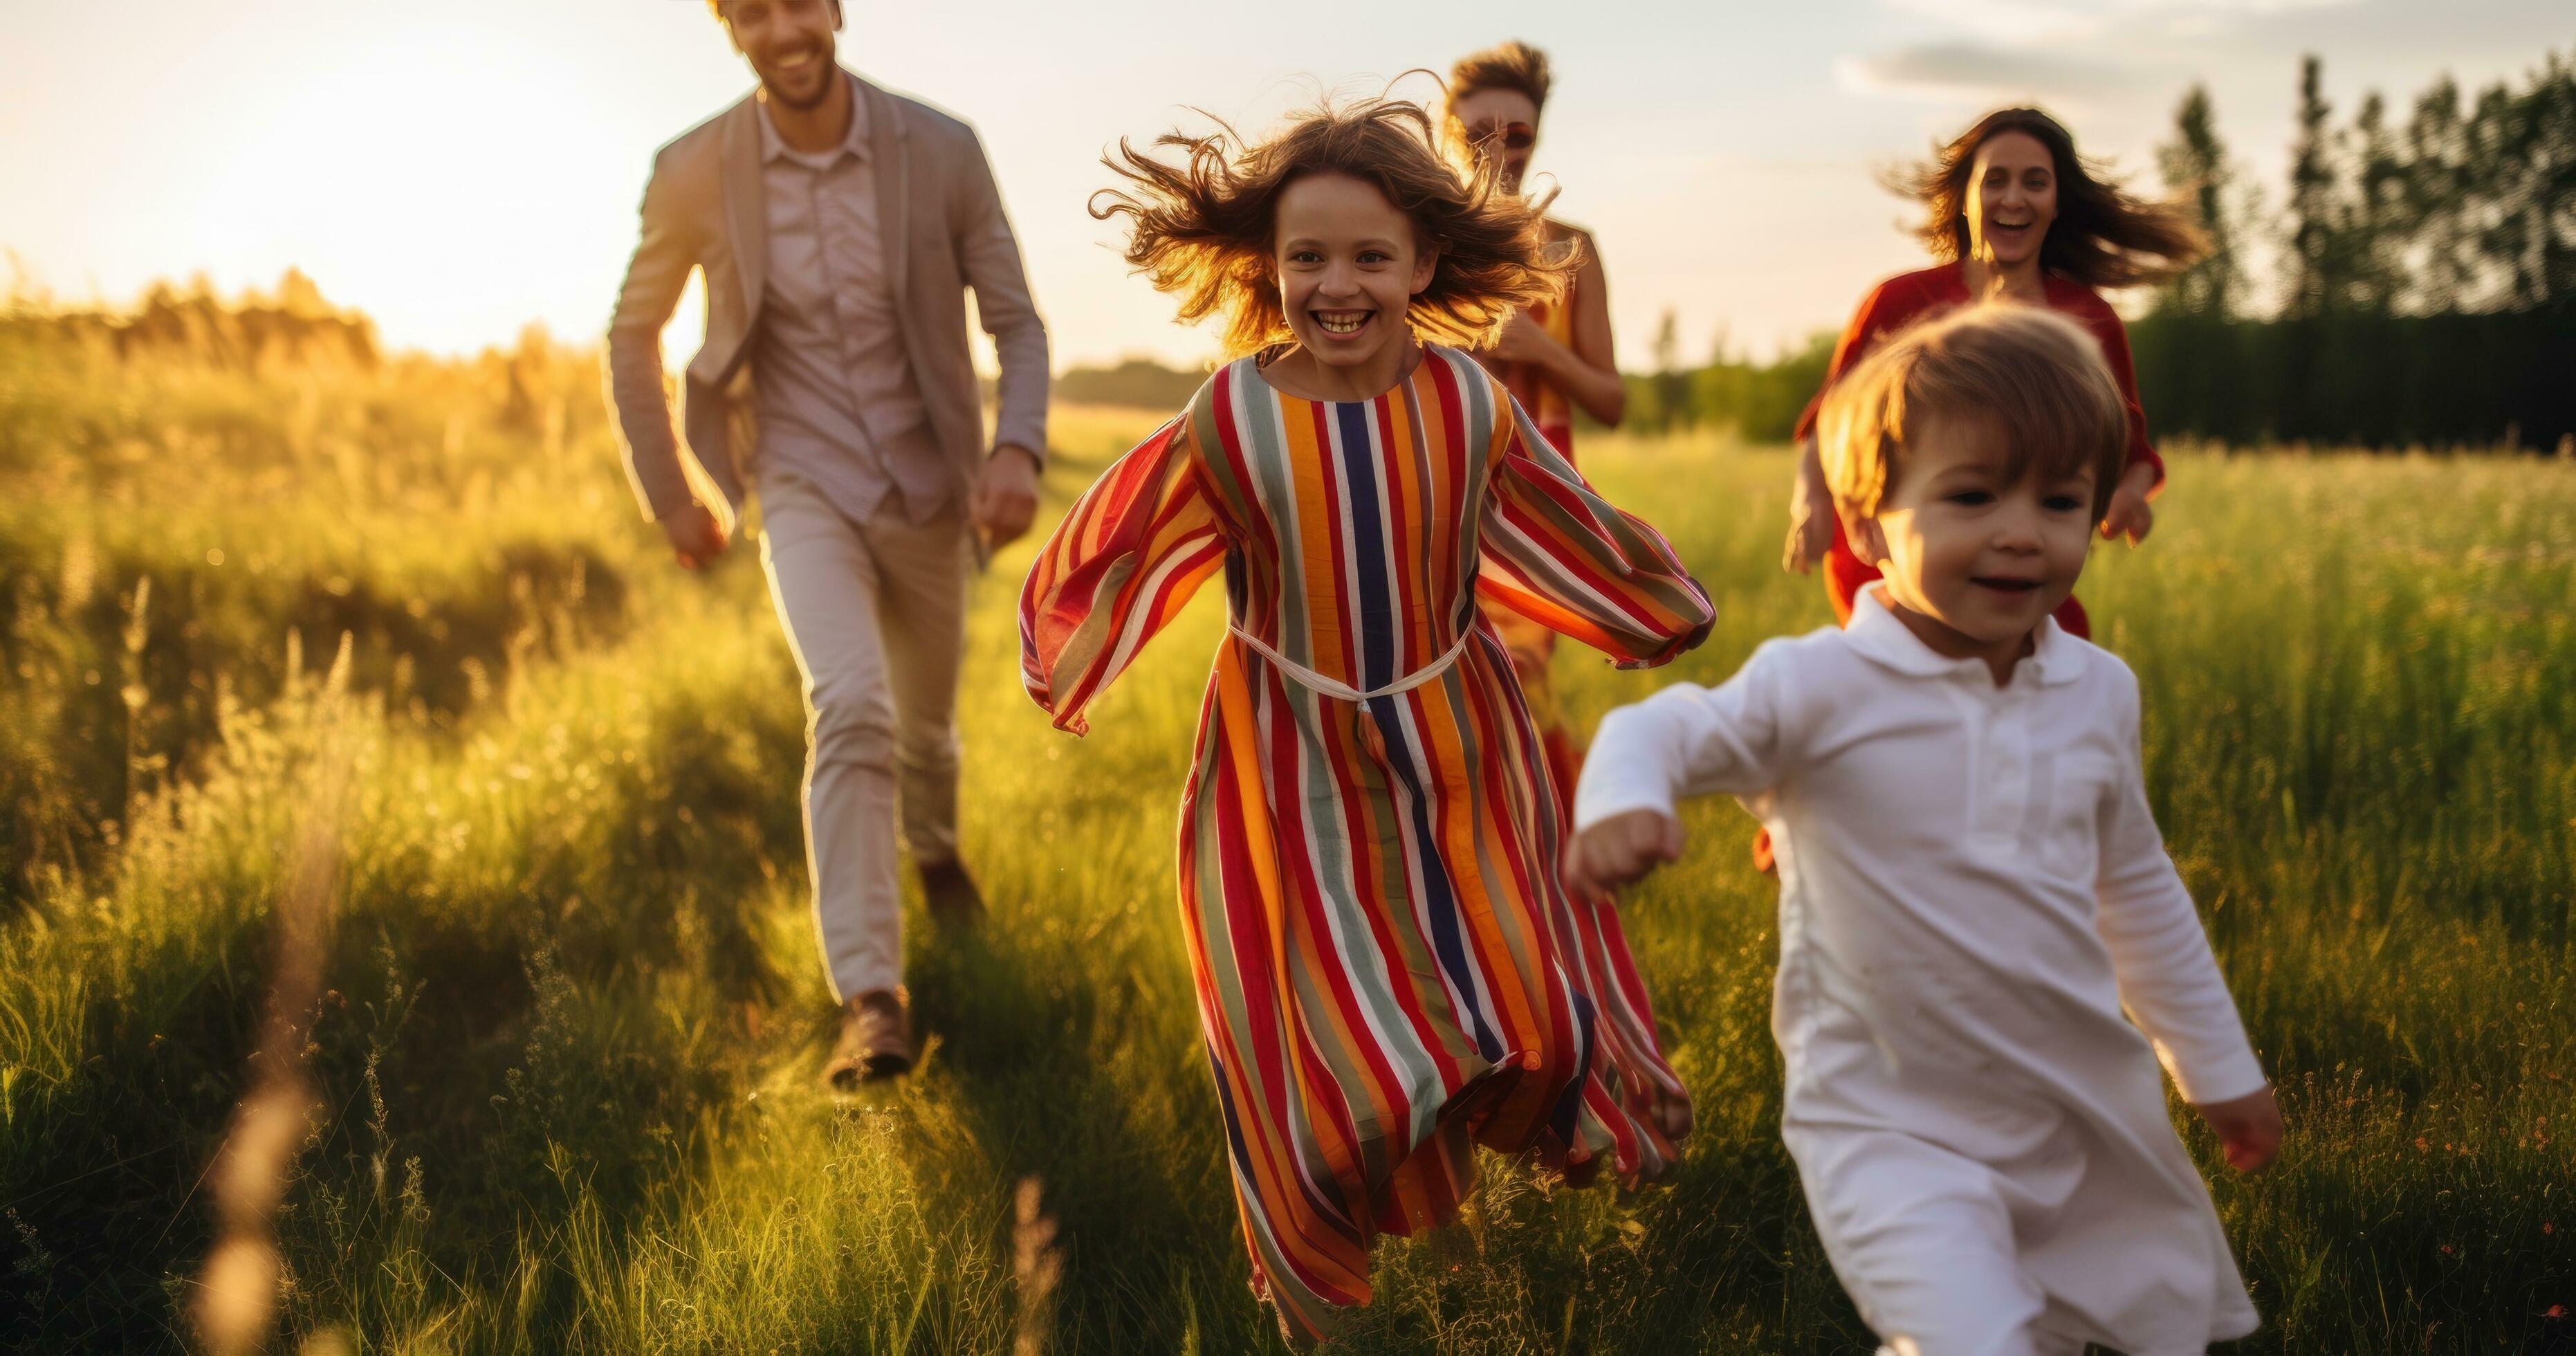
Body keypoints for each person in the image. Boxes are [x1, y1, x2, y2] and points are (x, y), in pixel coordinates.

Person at [1021, 97, 1713, 1344]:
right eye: (1305, 259)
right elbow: (1126, 537)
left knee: (1526, 1013)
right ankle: (1336, 1285)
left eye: (1366, 258)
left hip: (1460, 751)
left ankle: (1466, 1205)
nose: (1335, 286)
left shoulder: (1468, 404)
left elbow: (1566, 526)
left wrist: (1657, 606)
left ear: (1423, 266)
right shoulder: (1231, 416)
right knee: (1337, 1058)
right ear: (1266, 267)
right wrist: (1064, 654)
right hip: (1288, 763)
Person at [1570, 304, 2283, 1356]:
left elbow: (2135, 889)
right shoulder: (1826, 686)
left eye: (2060, 500)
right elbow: (1664, 727)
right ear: (1867, 527)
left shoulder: (2095, 692)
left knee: (2097, 1328)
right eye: (1971, 496)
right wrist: (1625, 801)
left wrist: (2217, 1073)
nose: (2020, 532)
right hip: (1888, 1127)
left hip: (2075, 1111)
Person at [605, 0, 1051, 1085]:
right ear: (730, 30)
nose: (783, 30)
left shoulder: (939, 149)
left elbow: (1016, 323)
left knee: (927, 734)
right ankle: (871, 995)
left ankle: (938, 853)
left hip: (931, 487)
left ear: (838, 10)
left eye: (799, 2)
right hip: (797, 484)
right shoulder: (692, 168)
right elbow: (634, 331)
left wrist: (1017, 452)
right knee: (849, 703)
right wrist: (671, 492)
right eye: (752, 13)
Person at [1781, 106, 2205, 640]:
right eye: (1995, 181)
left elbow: (2129, 451)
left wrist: (2129, 498)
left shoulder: (2089, 319)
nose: (2013, 199)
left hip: (2018, 567)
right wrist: (1812, 500)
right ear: (1963, 199)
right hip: (1896, 560)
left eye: (2035, 182)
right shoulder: (1898, 302)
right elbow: (1834, 420)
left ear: (2056, 203)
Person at [1447, 40, 1627, 823]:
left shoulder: (1572, 250)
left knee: (1516, 681)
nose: (1500, 149)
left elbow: (1612, 400)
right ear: (1447, 132)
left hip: (1531, 508)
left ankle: (1537, 860)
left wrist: (1539, 347)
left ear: (1538, 136)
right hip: (1429, 494)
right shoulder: (1421, 240)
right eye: (1479, 131)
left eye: (1516, 134)